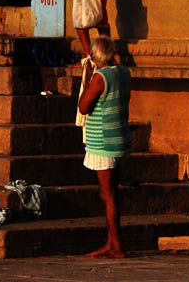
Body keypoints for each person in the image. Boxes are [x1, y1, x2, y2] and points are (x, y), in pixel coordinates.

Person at [78, 36, 131, 259]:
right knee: (111, 194)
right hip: (119, 138)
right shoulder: (123, 72)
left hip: (103, 141)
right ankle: (111, 243)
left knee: (108, 194)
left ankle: (117, 246)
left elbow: (83, 106)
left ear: (94, 56)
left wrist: (90, 76)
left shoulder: (101, 77)